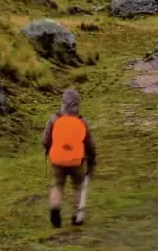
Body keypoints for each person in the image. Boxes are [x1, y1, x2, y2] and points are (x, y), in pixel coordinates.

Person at [41, 89, 96, 228]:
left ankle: (54, 209)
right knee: (77, 187)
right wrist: (91, 159)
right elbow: (89, 144)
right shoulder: (82, 122)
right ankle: (76, 216)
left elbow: (45, 139)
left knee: (57, 185)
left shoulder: (54, 119)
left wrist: (48, 150)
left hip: (57, 159)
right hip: (77, 161)